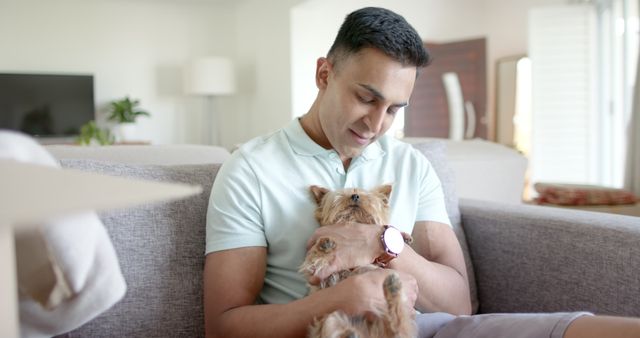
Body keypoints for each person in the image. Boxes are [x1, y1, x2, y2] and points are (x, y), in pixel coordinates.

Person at [203, 7, 640, 338]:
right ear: (324, 74)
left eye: (394, 108)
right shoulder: (251, 170)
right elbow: (223, 326)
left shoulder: (412, 165)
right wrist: (342, 298)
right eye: (366, 98)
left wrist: (383, 243)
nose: (377, 124)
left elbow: (459, 304)